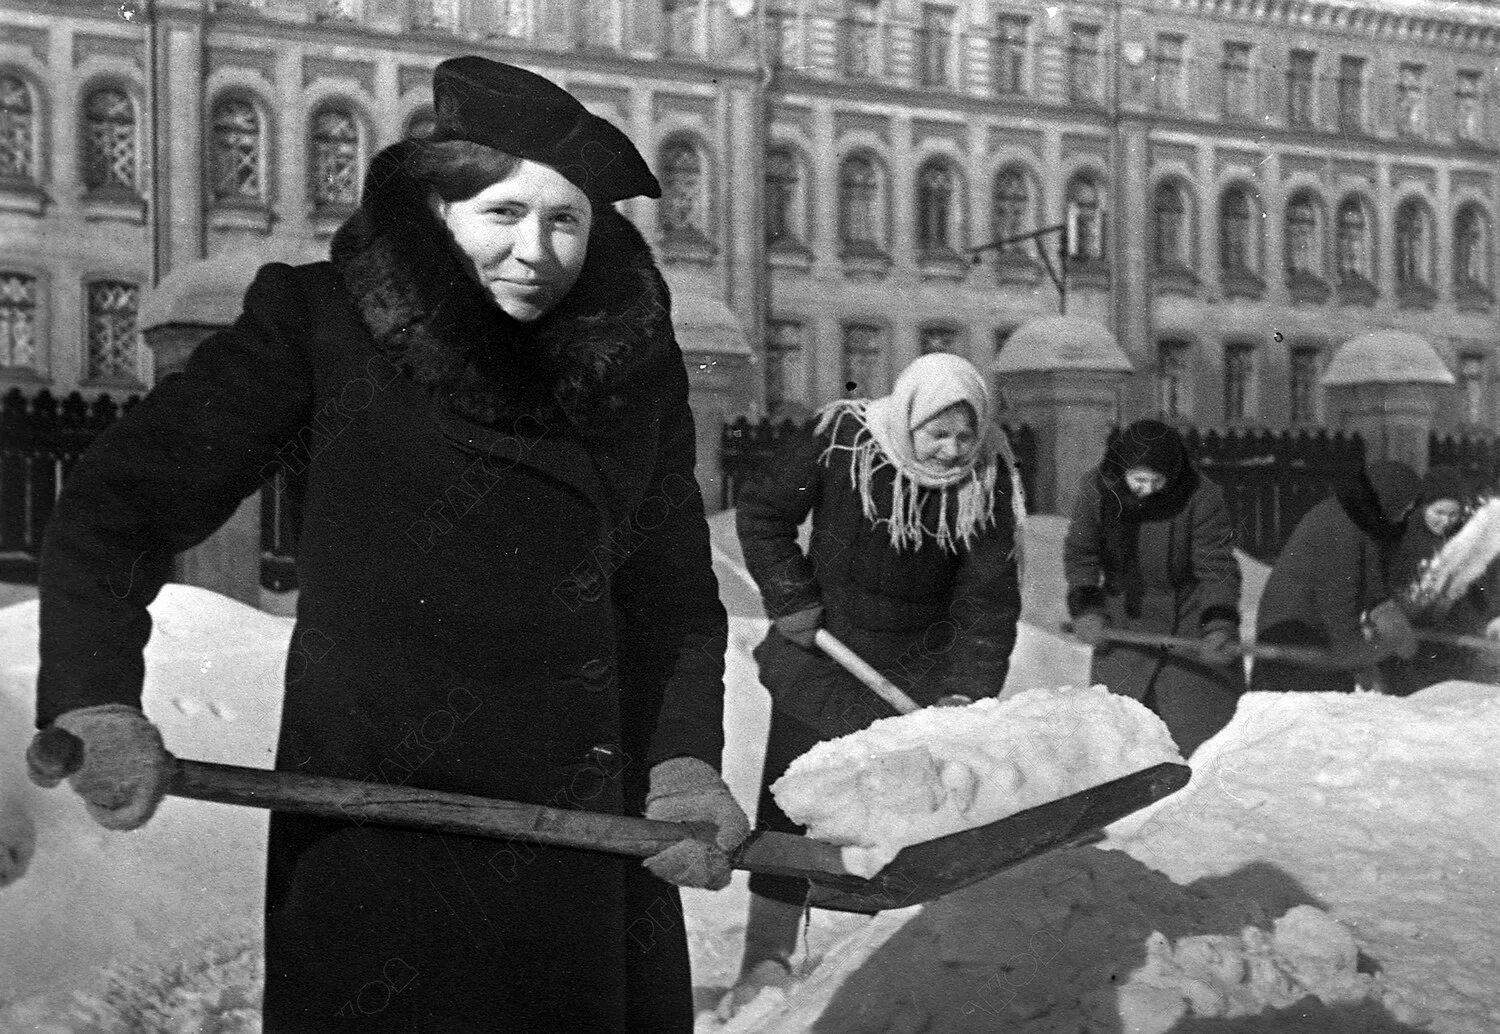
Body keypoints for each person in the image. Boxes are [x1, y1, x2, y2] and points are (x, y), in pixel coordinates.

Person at [25, 57, 746, 1032]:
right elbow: (118, 504)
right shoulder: (322, 321)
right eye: (503, 212)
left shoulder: (633, 368)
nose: (535, 249)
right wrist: (97, 694)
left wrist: (683, 765)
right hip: (376, 825)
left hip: (585, 830)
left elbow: (671, 599)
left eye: (565, 219)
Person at [730, 353, 1024, 1012]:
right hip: (821, 660)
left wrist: (966, 694)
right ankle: (766, 957)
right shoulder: (843, 440)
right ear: (910, 416)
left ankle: (869, 970)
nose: (950, 451)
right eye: (936, 434)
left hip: (914, 678)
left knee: (893, 824)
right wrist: (790, 596)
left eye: (963, 436)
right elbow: (763, 512)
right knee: (791, 808)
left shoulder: (988, 479)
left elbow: (988, 598)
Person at [1063, 419, 1245, 757]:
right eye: (1138, 480)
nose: (1146, 489)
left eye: (1157, 481)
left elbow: (1216, 569)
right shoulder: (1097, 491)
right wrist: (1087, 609)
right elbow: (1081, 555)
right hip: (1123, 627)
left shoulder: (1201, 497)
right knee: (1118, 744)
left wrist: (1219, 626)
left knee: (1205, 748)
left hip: (1189, 627)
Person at [1251, 461, 1422, 694]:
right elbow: (1338, 605)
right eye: (1403, 508)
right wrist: (1360, 661)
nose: (1404, 517)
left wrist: (1383, 608)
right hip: (1291, 637)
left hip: (1314, 634)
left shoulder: (1361, 521)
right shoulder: (1339, 528)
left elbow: (1371, 579)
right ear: (1387, 499)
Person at [1381, 466, 1496, 694]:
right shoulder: (1402, 539)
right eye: (1439, 512)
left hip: (1449, 641)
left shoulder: (1461, 541)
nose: (1445, 521)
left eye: (1453, 515)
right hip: (1407, 643)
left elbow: (1477, 589)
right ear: (1424, 507)